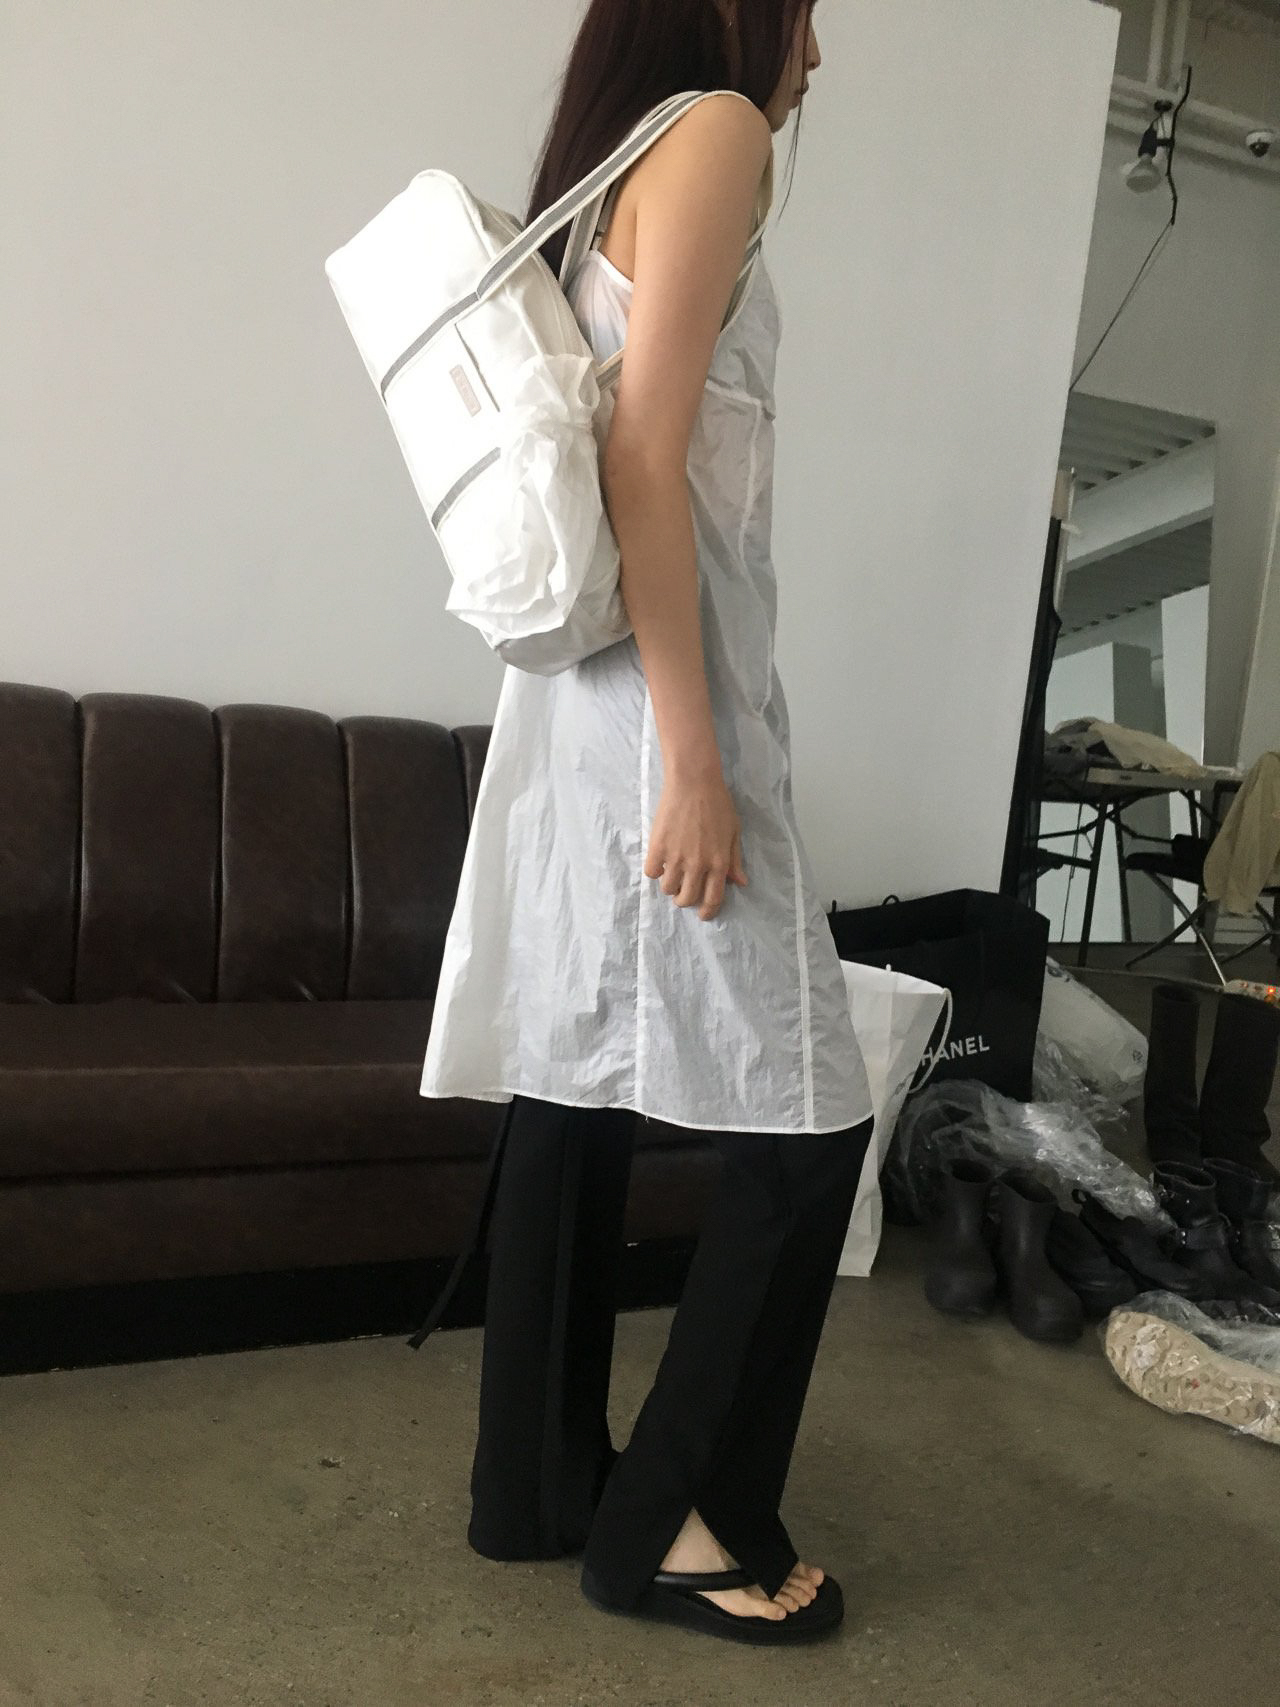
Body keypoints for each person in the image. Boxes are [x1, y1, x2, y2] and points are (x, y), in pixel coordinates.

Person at [417, 0, 876, 1647]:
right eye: (808, 11)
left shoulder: (620, 151)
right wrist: (695, 759)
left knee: (573, 1088)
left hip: (584, 707)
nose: (817, 54)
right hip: (660, 715)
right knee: (811, 1123)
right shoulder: (718, 134)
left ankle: (537, 1489)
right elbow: (644, 458)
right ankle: (680, 1525)